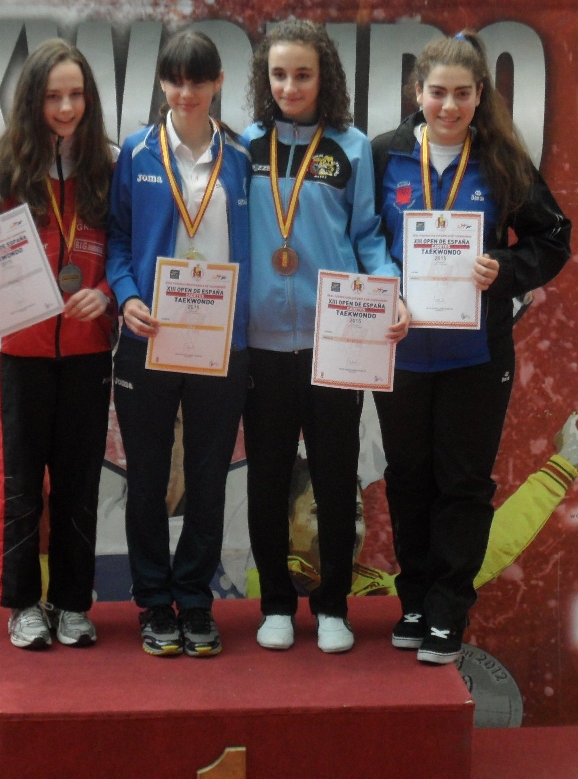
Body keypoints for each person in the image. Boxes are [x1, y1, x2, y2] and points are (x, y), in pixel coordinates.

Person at [371, 30, 571, 664]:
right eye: (438, 93)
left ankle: (447, 611)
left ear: (480, 95)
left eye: (462, 94)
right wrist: (383, 285)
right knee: (407, 478)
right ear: (417, 92)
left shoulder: (502, 160)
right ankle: (414, 600)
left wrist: (505, 268)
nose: (450, 106)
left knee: (463, 484)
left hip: (476, 356)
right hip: (400, 349)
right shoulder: (384, 155)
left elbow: (553, 238)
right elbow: (360, 238)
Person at [241, 19, 409, 654]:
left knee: (336, 478)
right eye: (279, 75)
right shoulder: (245, 146)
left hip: (335, 340)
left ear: (325, 78)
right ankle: (276, 604)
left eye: (303, 75)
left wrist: (390, 291)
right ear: (265, 78)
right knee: (267, 479)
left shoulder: (352, 147)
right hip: (261, 343)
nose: (290, 86)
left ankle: (333, 605)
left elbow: (368, 235)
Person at [0, 39, 117, 650]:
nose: (66, 108)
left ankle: (71, 603)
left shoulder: (109, 163)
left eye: (76, 95)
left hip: (89, 348)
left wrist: (106, 294)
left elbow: (126, 252)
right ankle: (21, 603)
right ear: (31, 101)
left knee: (78, 482)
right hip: (18, 352)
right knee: (20, 485)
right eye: (52, 97)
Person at [106, 30, 250, 657]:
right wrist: (127, 295)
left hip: (221, 342)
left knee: (208, 477)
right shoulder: (136, 151)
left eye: (198, 80)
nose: (185, 92)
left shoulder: (241, 157)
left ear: (218, 82)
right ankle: (152, 601)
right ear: (162, 83)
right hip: (149, 336)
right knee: (146, 477)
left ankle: (194, 598)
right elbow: (116, 238)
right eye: (175, 80)